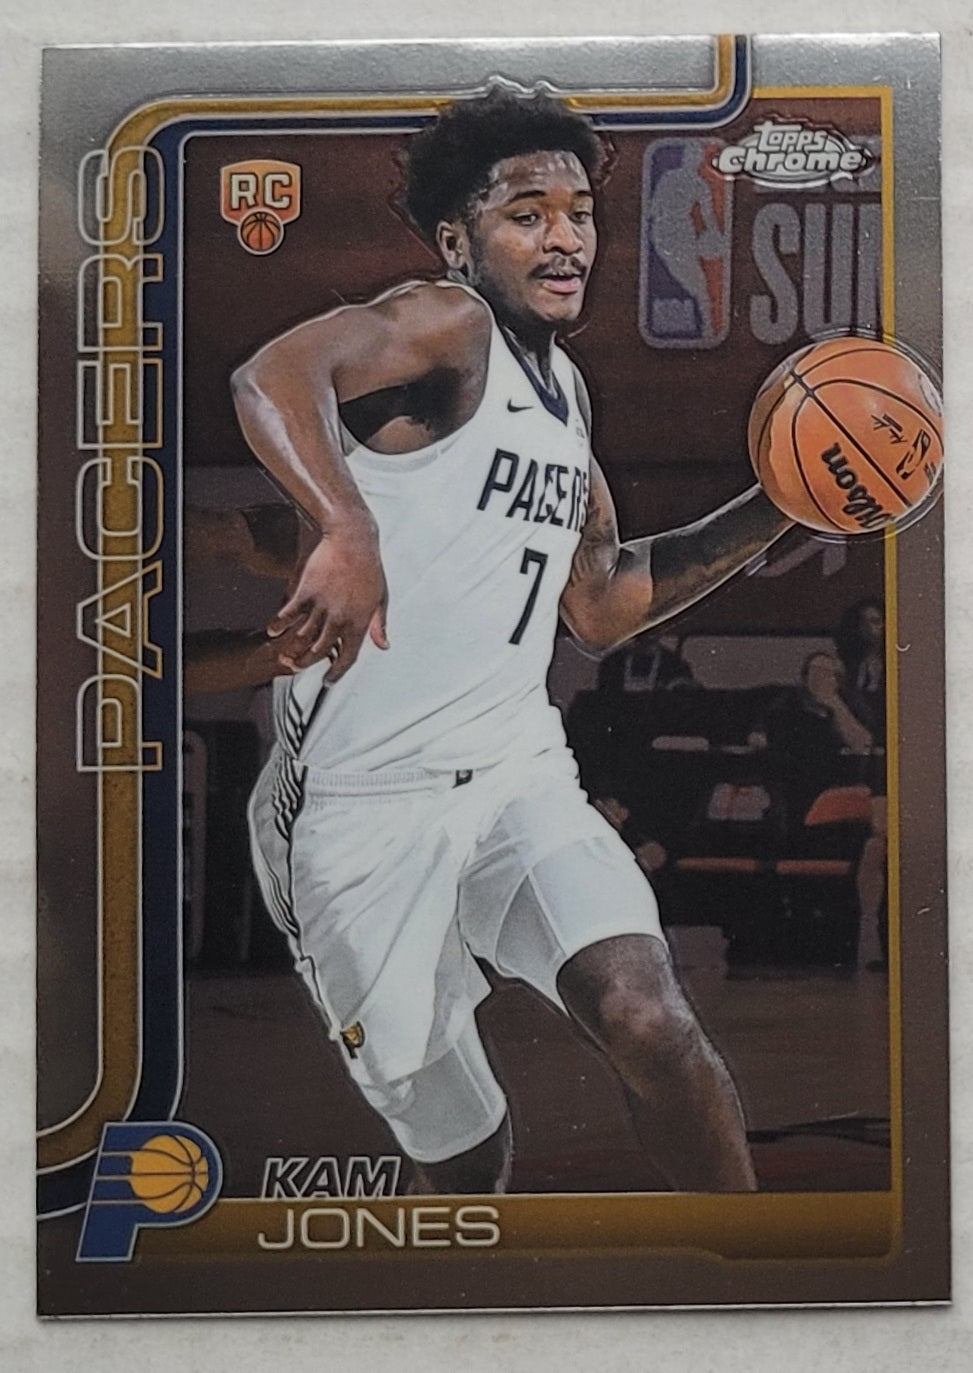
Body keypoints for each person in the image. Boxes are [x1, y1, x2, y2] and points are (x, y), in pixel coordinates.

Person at [231, 88, 793, 1195]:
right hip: (357, 805)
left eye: (578, 213)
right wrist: (346, 524)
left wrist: (783, 501)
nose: (565, 238)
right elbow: (273, 375)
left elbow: (601, 601)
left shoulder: (567, 393)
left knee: (646, 1015)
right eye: (527, 215)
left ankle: (752, 1265)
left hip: (511, 775)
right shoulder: (447, 323)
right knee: (463, 1147)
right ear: (458, 239)